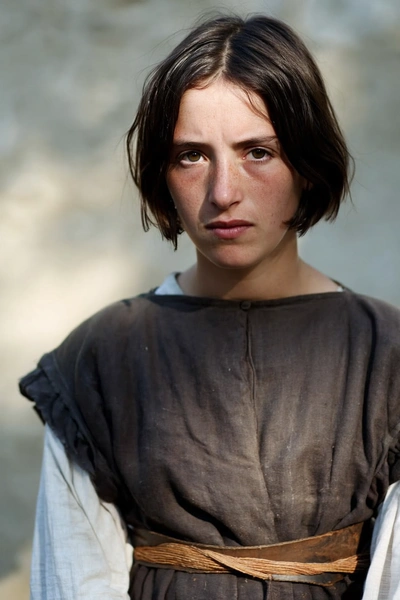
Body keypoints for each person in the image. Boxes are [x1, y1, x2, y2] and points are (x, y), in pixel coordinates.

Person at [19, 13, 400, 600]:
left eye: (258, 152)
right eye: (192, 156)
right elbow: (72, 583)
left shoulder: (386, 356)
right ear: (163, 176)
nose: (224, 192)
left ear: (305, 164)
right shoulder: (100, 358)